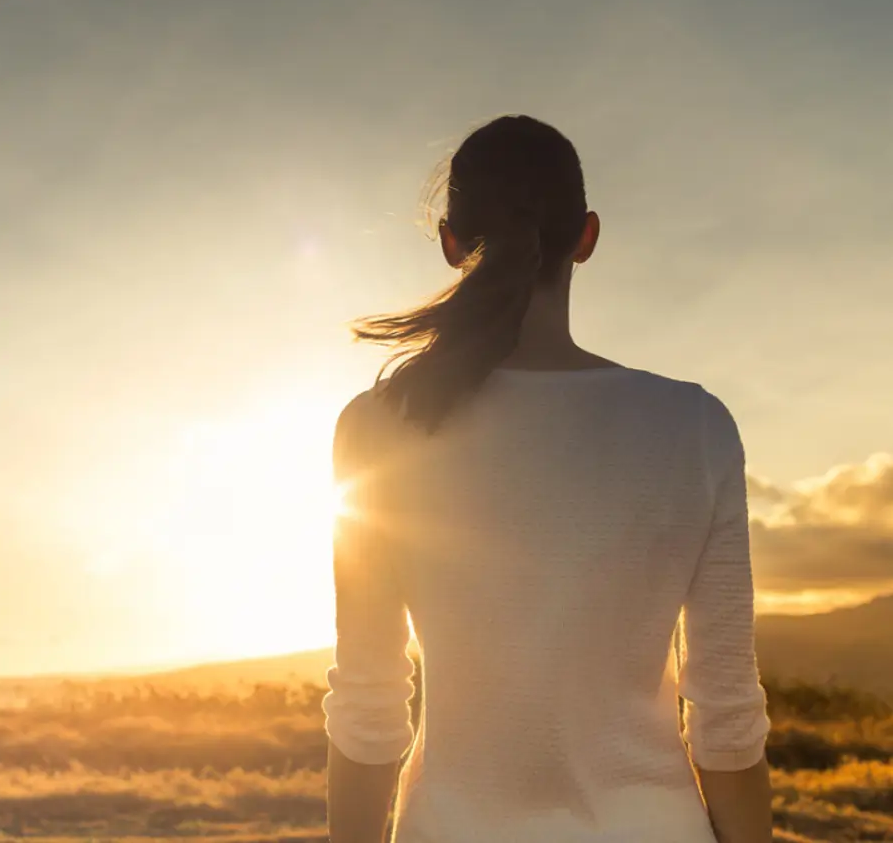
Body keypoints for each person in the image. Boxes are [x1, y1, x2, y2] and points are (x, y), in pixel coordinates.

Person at [322, 115, 773, 843]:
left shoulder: (378, 427)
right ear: (586, 237)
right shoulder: (694, 426)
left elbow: (370, 711)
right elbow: (726, 720)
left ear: (449, 242)